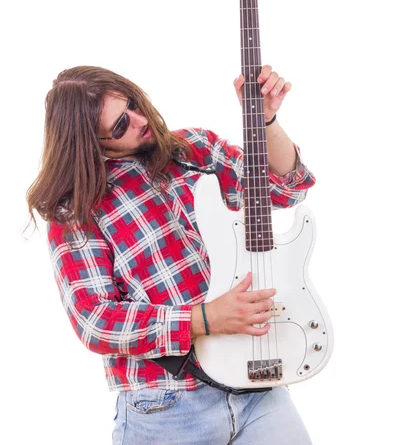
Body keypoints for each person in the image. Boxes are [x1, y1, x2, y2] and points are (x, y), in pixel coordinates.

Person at [27, 64, 316, 444]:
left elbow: (283, 190)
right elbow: (95, 319)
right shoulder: (75, 209)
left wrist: (266, 120)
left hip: (257, 382)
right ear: (91, 142)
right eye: (119, 126)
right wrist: (205, 319)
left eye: (132, 104)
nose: (140, 120)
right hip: (165, 404)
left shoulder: (193, 149)